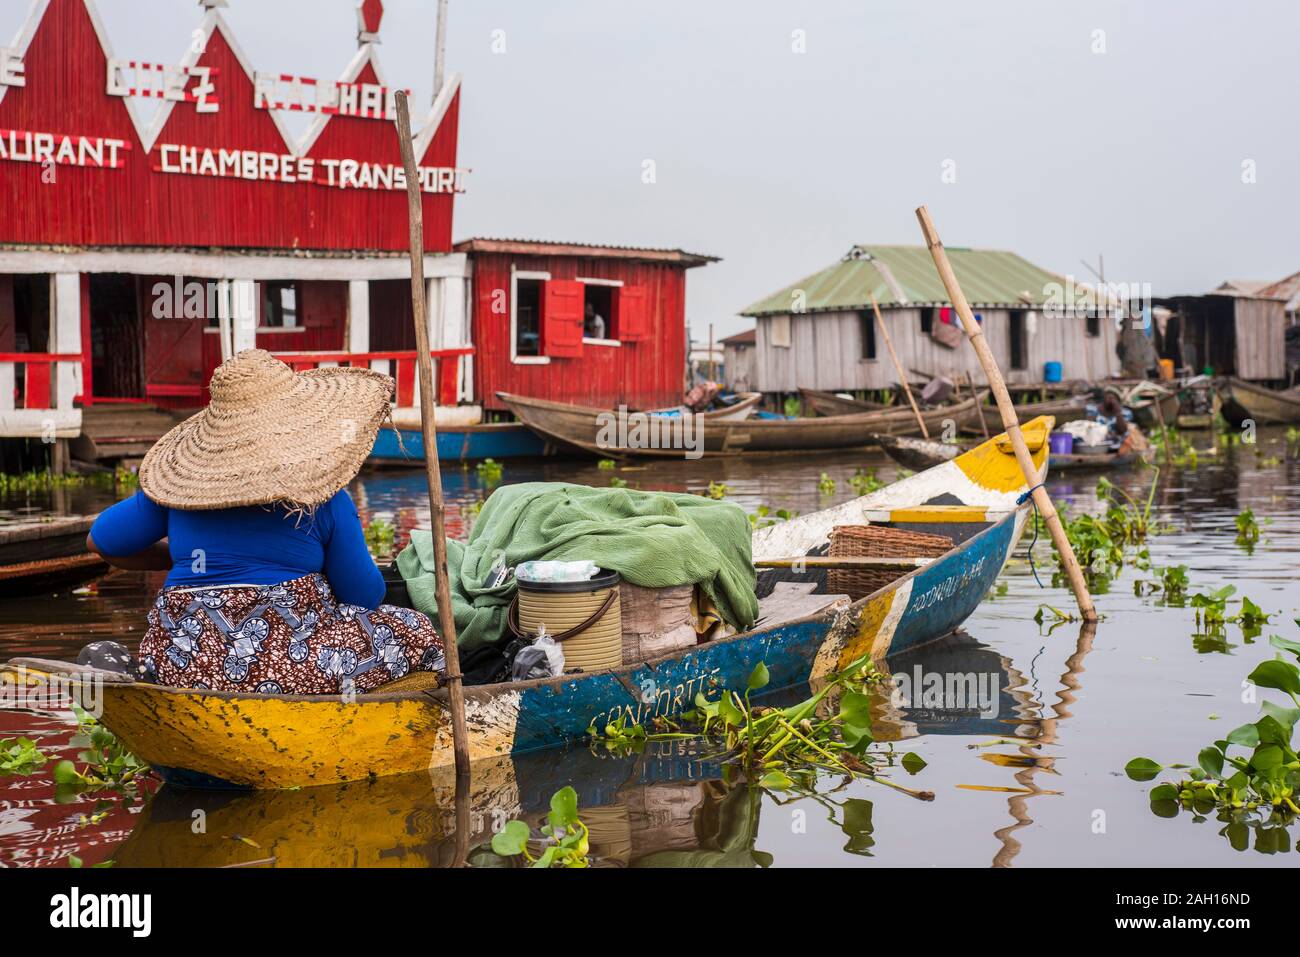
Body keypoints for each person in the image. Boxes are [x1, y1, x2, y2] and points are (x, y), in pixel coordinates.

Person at [86, 349, 445, 696]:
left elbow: (102, 543)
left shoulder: (179, 490)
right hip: (290, 669)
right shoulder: (324, 498)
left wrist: (187, 558)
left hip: (183, 664)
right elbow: (364, 596)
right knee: (413, 629)